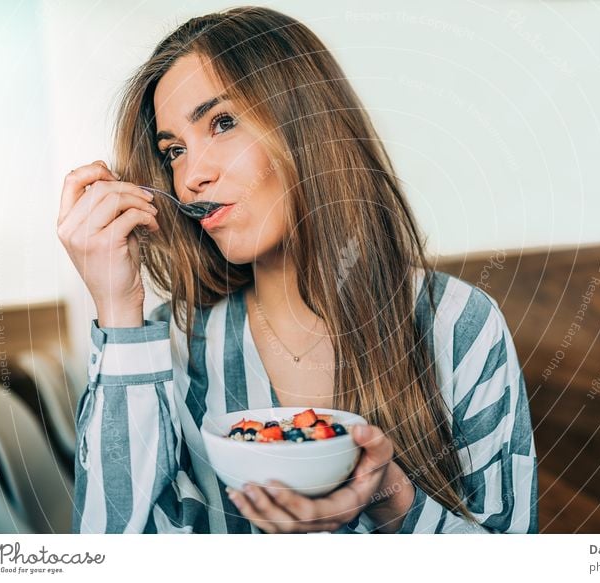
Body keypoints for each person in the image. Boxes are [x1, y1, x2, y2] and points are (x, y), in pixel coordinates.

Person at [57, 6, 537, 534]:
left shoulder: (459, 325)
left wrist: (393, 502)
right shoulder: (172, 341)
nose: (192, 175)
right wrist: (118, 309)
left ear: (309, 125)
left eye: (222, 123)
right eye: (174, 150)